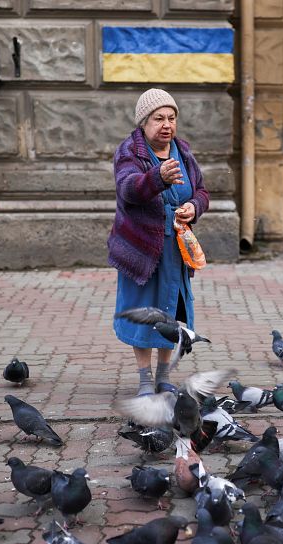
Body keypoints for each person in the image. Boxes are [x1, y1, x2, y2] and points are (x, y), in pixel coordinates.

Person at [108, 88, 210, 396]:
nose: (166, 124)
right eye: (158, 118)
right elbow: (128, 189)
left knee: (171, 311)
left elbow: (202, 191)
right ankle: (143, 379)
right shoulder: (130, 152)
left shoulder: (184, 151)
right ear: (143, 122)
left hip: (175, 250)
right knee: (143, 309)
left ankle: (164, 377)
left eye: (171, 117)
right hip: (142, 249)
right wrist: (157, 178)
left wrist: (195, 206)